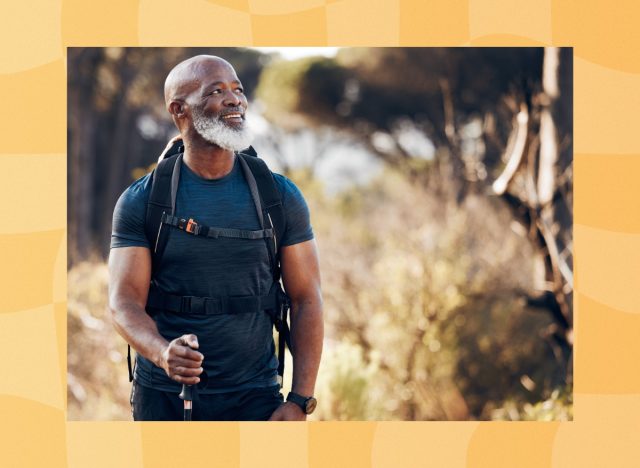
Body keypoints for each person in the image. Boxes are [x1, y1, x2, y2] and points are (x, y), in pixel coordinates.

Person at [108, 55, 323, 421]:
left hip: (256, 399)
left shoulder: (280, 196)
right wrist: (163, 353)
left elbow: (307, 299)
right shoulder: (142, 201)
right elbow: (123, 302)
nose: (235, 99)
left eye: (238, 90)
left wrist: (300, 400)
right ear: (180, 110)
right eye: (217, 91)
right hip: (164, 399)